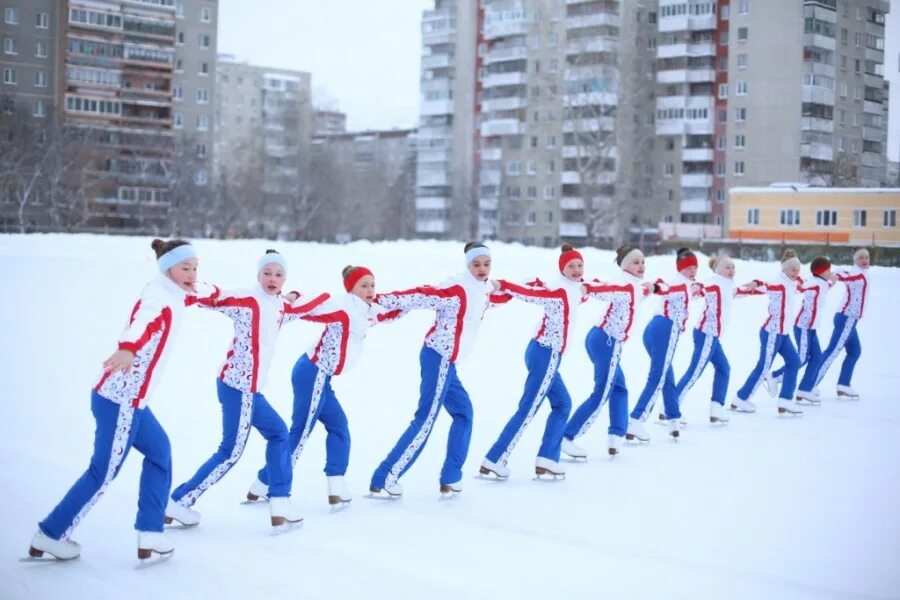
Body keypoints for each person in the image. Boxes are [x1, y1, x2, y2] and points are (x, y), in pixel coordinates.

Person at [29, 239, 212, 561]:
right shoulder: (159, 297)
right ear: (167, 267)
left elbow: (202, 290)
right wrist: (128, 347)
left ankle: (150, 533)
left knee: (159, 452)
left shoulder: (175, 292)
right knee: (102, 472)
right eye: (186, 267)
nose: (192, 273)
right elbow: (142, 322)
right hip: (121, 401)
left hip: (133, 402)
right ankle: (51, 534)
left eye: (195, 267)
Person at [166, 250, 327, 530]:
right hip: (236, 387)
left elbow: (293, 305)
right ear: (258, 275)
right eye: (267, 273)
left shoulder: (279, 306)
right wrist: (185, 287)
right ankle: (179, 502)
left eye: (278, 275)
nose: (272, 279)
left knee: (278, 434)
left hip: (250, 391)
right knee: (230, 452)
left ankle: (279, 501)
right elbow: (214, 295)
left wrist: (294, 296)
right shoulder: (246, 299)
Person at [369, 242, 508, 497]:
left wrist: (511, 287)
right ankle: (385, 477)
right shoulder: (456, 288)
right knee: (425, 420)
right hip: (438, 358)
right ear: (467, 265)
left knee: (464, 413)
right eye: (476, 264)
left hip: (448, 363)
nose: (482, 269)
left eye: (486, 264)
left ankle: (451, 477)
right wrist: (377, 301)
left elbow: (492, 296)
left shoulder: (482, 287)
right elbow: (419, 296)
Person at [246, 265, 386, 508]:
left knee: (338, 426)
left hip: (321, 376)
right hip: (313, 373)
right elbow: (310, 309)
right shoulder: (342, 306)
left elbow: (386, 311)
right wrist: (289, 300)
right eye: (363, 285)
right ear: (351, 289)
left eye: (372, 285)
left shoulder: (366, 310)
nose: (370, 290)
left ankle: (335, 483)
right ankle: (268, 484)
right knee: (300, 434)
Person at [480, 243, 585, 480]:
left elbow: (582, 291)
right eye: (571, 266)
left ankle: (547, 458)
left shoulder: (573, 288)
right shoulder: (558, 291)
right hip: (545, 353)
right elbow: (532, 294)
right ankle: (495, 459)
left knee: (563, 404)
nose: (577, 270)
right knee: (528, 409)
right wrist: (504, 285)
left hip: (545, 354)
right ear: (562, 270)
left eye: (580, 265)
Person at [561, 245, 658, 458]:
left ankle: (616, 435)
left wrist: (651, 288)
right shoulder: (625, 284)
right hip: (607, 341)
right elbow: (606, 290)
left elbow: (636, 294)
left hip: (599, 338)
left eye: (643, 261)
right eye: (635, 262)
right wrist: (588, 289)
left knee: (619, 388)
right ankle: (566, 437)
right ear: (625, 266)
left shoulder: (633, 284)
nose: (641, 265)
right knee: (603, 391)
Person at [628, 247, 704, 441]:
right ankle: (636, 420)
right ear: (680, 268)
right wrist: (652, 287)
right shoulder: (677, 283)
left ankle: (673, 417)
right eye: (688, 268)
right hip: (665, 329)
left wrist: (697, 287)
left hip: (654, 329)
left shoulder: (687, 284)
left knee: (667, 374)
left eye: (695, 267)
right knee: (658, 377)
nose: (693, 271)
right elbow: (663, 287)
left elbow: (696, 290)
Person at [673, 255, 760, 423]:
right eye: (727, 267)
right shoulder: (715, 283)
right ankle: (671, 406)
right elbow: (702, 287)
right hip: (706, 334)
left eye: (733, 266)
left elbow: (743, 291)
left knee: (724, 368)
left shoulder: (730, 286)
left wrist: (756, 283)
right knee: (695, 371)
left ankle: (716, 408)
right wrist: (696, 287)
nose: (731, 270)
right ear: (718, 270)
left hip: (713, 337)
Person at [732, 249, 804, 415]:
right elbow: (764, 285)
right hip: (772, 332)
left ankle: (785, 400)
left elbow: (804, 282)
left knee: (794, 362)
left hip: (783, 334)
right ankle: (741, 398)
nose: (796, 273)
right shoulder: (778, 283)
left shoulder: (792, 282)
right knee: (763, 367)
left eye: (798, 270)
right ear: (784, 269)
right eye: (793, 269)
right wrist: (753, 283)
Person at [769, 256, 836, 405]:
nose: (829, 273)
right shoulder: (815, 284)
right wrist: (797, 280)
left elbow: (828, 284)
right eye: (827, 271)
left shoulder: (822, 282)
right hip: (803, 326)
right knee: (802, 357)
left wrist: (833, 280)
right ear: (820, 272)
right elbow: (802, 287)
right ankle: (775, 377)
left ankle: (805, 388)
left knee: (817, 357)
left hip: (811, 328)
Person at [813, 248, 870, 399]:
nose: (865, 260)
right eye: (861, 258)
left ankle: (843, 385)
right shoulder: (856, 274)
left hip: (850, 321)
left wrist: (837, 274)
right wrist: (834, 277)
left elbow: (843, 272)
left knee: (855, 351)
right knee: (831, 352)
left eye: (866, 257)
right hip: (847, 319)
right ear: (855, 260)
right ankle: (809, 384)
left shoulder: (860, 273)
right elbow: (844, 275)